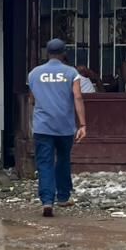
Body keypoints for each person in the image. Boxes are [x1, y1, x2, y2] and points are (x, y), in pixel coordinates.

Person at [28, 38, 88, 218]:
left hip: (42, 126)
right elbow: (77, 97)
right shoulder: (71, 73)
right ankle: (63, 196)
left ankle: (47, 201)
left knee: (44, 163)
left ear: (47, 53)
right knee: (63, 159)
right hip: (65, 126)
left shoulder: (34, 73)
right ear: (63, 53)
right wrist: (83, 124)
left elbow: (31, 99)